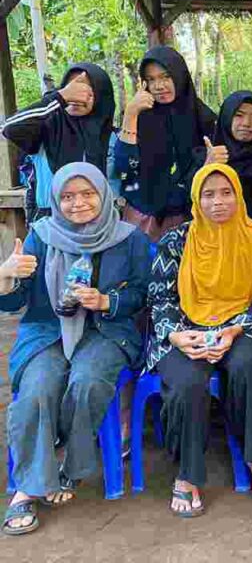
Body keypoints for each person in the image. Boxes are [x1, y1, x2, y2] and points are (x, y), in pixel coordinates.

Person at [1, 163, 149, 536]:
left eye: (87, 194)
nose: (77, 203)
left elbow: (144, 293)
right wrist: (6, 276)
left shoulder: (128, 238)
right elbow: (15, 302)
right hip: (48, 332)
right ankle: (28, 487)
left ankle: (69, 461)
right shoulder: (41, 236)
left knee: (87, 381)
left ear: (103, 194)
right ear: (55, 199)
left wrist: (108, 301)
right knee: (37, 389)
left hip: (106, 331)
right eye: (67, 196)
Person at [146, 164, 252, 517]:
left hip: (238, 326)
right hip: (184, 329)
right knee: (188, 383)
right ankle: (187, 472)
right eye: (208, 195)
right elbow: (159, 298)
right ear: (196, 199)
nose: (218, 202)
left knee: (247, 367)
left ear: (239, 196)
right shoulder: (176, 242)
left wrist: (236, 328)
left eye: (226, 193)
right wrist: (177, 335)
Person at [115, 46, 216, 242]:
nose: (159, 86)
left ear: (179, 76)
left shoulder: (202, 117)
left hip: (189, 217)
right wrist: (130, 115)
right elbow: (123, 167)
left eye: (165, 77)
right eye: (151, 79)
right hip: (142, 218)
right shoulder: (141, 117)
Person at [2, 64, 118, 222]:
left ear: (101, 97)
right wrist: (59, 97)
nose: (77, 98)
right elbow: (9, 128)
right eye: (72, 89)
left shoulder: (112, 137)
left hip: (100, 223)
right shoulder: (44, 130)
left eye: (86, 92)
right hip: (50, 223)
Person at [207, 91, 252, 233]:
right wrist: (207, 168)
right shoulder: (208, 153)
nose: (246, 123)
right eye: (239, 115)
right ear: (227, 117)